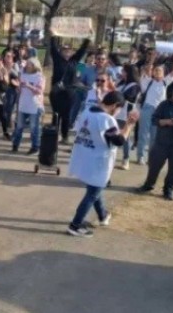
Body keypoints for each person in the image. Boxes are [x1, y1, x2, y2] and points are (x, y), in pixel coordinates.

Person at [66, 91, 138, 238]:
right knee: (93, 192)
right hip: (98, 160)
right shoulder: (106, 119)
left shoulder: (88, 111)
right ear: (114, 106)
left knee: (95, 188)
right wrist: (129, 126)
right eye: (118, 109)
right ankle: (75, 225)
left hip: (85, 155)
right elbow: (118, 141)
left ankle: (103, 216)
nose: (118, 113)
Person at [49, 38, 90, 144]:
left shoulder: (74, 61)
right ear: (61, 52)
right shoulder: (57, 59)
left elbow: (82, 50)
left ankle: (65, 136)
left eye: (69, 51)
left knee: (66, 115)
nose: (66, 53)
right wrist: (52, 36)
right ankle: (54, 134)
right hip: (57, 92)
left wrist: (87, 39)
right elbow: (53, 48)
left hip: (69, 93)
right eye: (64, 50)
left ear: (71, 52)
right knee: (56, 114)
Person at [136, 64, 171, 165]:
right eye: (156, 70)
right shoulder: (148, 81)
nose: (157, 72)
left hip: (159, 111)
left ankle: (151, 157)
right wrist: (151, 60)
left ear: (164, 74)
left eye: (160, 71)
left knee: (155, 136)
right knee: (143, 133)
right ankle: (140, 156)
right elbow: (147, 70)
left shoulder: (165, 82)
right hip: (147, 108)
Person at [11, 58, 45, 156]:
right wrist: (18, 86)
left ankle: (35, 146)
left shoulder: (39, 77)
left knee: (34, 128)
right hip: (23, 104)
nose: (28, 65)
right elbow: (20, 89)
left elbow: (39, 91)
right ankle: (15, 145)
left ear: (35, 66)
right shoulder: (23, 74)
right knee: (19, 126)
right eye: (28, 63)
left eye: (30, 64)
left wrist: (29, 86)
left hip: (34, 105)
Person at [115, 65, 141, 170]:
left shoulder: (135, 85)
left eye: (124, 71)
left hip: (126, 113)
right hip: (116, 113)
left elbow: (130, 97)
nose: (122, 73)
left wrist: (117, 94)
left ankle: (126, 159)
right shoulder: (121, 82)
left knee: (125, 137)